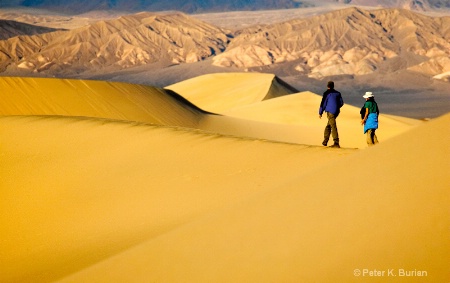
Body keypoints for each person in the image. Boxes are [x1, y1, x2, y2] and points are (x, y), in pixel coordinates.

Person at [319, 81, 344, 148]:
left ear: (327, 86)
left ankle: (336, 142)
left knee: (333, 126)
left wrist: (320, 112)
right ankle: (325, 141)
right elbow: (341, 103)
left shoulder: (326, 93)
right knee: (329, 125)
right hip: (336, 112)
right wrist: (336, 107)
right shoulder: (338, 93)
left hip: (330, 112)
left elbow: (323, 104)